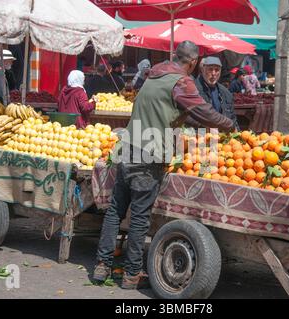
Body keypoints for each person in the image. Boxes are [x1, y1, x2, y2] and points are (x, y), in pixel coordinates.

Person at [93, 41, 234, 290]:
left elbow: (171, 108)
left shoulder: (154, 75)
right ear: (192, 63)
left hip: (128, 148)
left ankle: (101, 267)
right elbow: (202, 110)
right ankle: (131, 274)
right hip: (150, 154)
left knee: (116, 210)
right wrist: (228, 124)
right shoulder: (181, 81)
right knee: (139, 217)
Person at [195, 56, 240, 130]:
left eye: (217, 70)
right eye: (210, 69)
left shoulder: (226, 93)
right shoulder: (194, 89)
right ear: (203, 69)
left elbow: (232, 118)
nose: (213, 73)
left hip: (223, 136)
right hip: (201, 135)